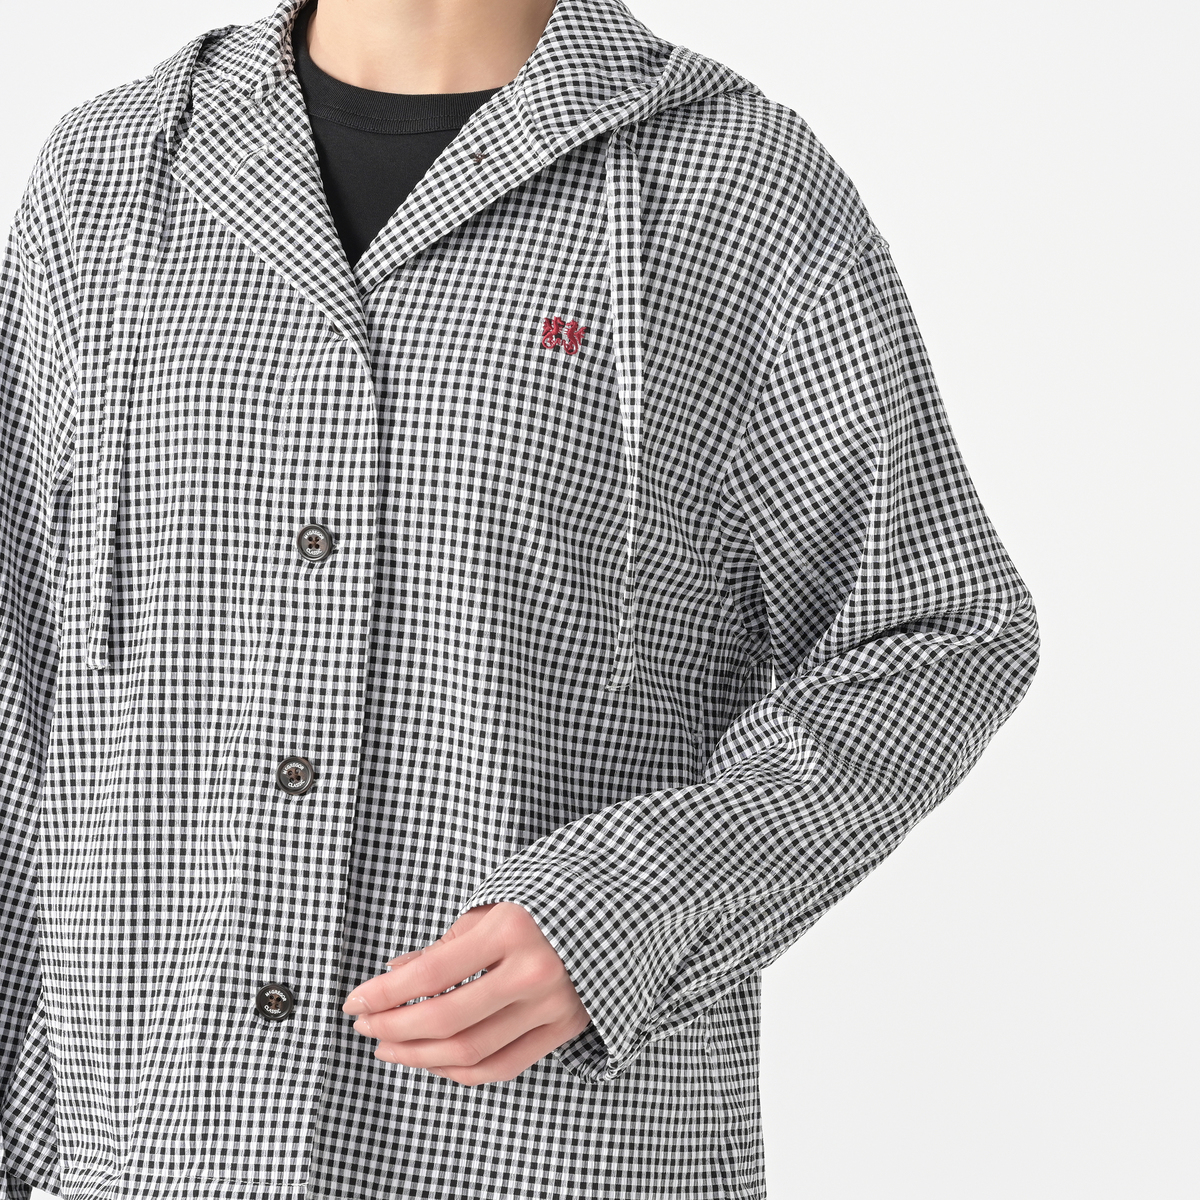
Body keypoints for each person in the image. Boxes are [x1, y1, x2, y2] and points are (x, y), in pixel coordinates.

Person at [0, 0, 1040, 1197]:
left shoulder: (733, 180)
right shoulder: (112, 177)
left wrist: (630, 903)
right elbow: (20, 675)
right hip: (161, 1145)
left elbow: (937, 631)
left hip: (543, 1147)